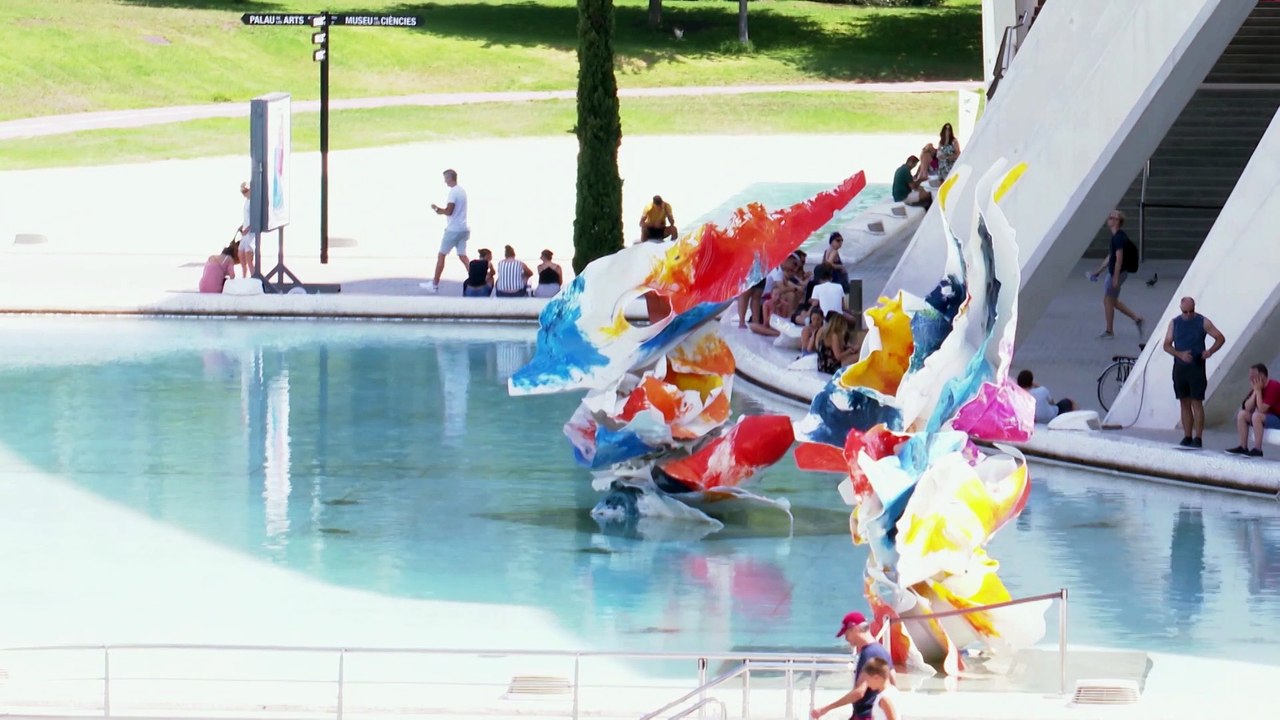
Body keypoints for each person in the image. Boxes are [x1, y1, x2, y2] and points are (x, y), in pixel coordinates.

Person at [1162, 296, 1226, 448]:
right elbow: (1166, 345)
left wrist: (1210, 351)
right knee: (1184, 402)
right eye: (1186, 312)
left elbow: (1220, 338)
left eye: (1191, 311)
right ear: (1181, 310)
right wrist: (1180, 354)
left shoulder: (1203, 322)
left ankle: (1198, 437)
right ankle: (1187, 435)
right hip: (1180, 366)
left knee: (1196, 402)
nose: (1189, 314)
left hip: (1196, 366)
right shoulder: (1175, 323)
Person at [811, 611, 895, 720]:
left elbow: (859, 693)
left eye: (846, 634)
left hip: (866, 715)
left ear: (854, 629)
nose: (846, 639)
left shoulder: (868, 654)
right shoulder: (882, 650)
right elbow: (893, 681)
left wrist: (825, 709)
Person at [1088, 210, 1144, 339]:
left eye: (1112, 218)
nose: (1109, 220)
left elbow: (1119, 259)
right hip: (1116, 273)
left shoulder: (1118, 238)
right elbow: (1111, 256)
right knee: (1112, 300)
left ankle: (1109, 331)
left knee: (1108, 300)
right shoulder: (1117, 236)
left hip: (1116, 273)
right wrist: (1098, 271)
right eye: (1109, 217)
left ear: (1117, 222)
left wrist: (1115, 278)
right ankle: (1136, 318)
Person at [425, 168, 470, 293]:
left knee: (441, 255)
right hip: (463, 228)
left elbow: (449, 211)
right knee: (463, 256)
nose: (445, 181)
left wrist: (438, 210)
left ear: (450, 178)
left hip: (453, 229)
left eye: (446, 178)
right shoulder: (462, 191)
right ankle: (475, 279)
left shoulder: (453, 193)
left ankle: (434, 284)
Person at [1227, 363, 1280, 458]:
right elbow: (1247, 407)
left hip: (1277, 418)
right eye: (1250, 375)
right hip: (1266, 417)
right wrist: (1255, 391)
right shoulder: (1256, 387)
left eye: (1253, 375)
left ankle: (1257, 449)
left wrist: (1258, 391)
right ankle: (1243, 447)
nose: (1250, 378)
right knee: (1242, 414)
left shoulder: (1274, 386)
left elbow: (1262, 409)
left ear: (1262, 376)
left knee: (1256, 416)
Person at [236, 181, 257, 279]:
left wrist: (248, 228)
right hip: (245, 230)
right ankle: (244, 276)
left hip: (250, 232)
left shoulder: (253, 201)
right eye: (243, 191)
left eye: (246, 191)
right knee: (240, 254)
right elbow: (247, 217)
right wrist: (242, 225)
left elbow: (255, 217)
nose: (244, 193)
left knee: (248, 257)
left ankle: (253, 277)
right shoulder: (247, 201)